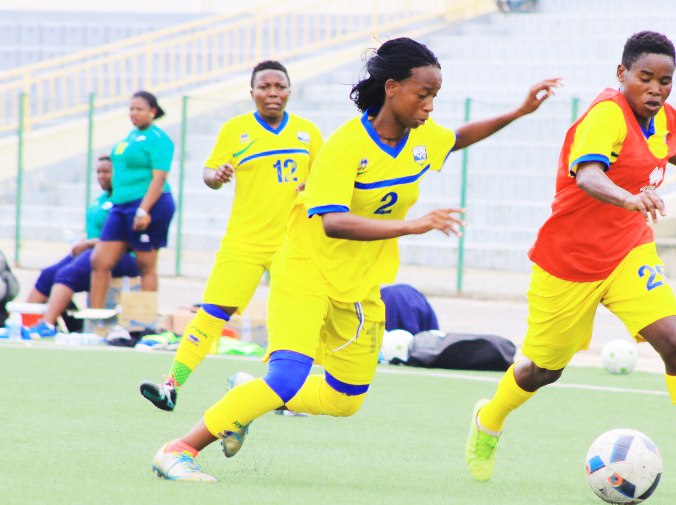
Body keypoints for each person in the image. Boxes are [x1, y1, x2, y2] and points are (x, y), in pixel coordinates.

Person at [150, 36, 562, 482]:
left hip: (361, 287)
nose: (429, 105)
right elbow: (333, 222)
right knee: (288, 375)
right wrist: (413, 225)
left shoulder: (421, 138)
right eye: (423, 94)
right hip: (306, 272)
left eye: (434, 96)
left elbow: (457, 138)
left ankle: (250, 394)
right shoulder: (345, 145)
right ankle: (179, 449)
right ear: (391, 88)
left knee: (344, 399)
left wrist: (518, 112)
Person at [464, 31, 676, 491]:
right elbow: (588, 175)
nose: (656, 89)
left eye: (665, 81)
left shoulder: (662, 116)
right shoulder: (605, 117)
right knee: (544, 369)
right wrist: (630, 199)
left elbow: (670, 147)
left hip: (628, 251)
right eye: (645, 78)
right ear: (621, 74)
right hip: (568, 262)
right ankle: (489, 420)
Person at [139, 60, 323, 412]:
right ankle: (171, 385)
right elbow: (209, 172)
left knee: (297, 320)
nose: (273, 93)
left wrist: (310, 187)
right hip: (244, 242)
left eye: (279, 86)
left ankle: (287, 393)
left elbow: (325, 181)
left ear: (289, 91)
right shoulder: (236, 130)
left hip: (294, 244)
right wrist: (218, 174)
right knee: (212, 313)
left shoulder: (308, 133)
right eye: (265, 87)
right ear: (252, 92)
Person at [26, 156, 140, 337]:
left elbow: (124, 239)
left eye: (107, 172)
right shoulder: (101, 199)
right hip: (93, 250)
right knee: (48, 274)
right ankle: (27, 324)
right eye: (99, 172)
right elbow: (97, 231)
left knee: (67, 274)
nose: (102, 176)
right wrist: (84, 241)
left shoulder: (125, 200)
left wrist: (89, 243)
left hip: (120, 256)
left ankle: (47, 325)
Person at [89, 91, 175, 310]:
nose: (134, 113)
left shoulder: (159, 139)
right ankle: (95, 320)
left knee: (146, 265)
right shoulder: (131, 136)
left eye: (139, 109)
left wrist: (143, 210)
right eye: (131, 109)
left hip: (147, 205)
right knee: (100, 261)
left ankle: (145, 321)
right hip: (120, 205)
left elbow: (159, 177)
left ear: (152, 112)